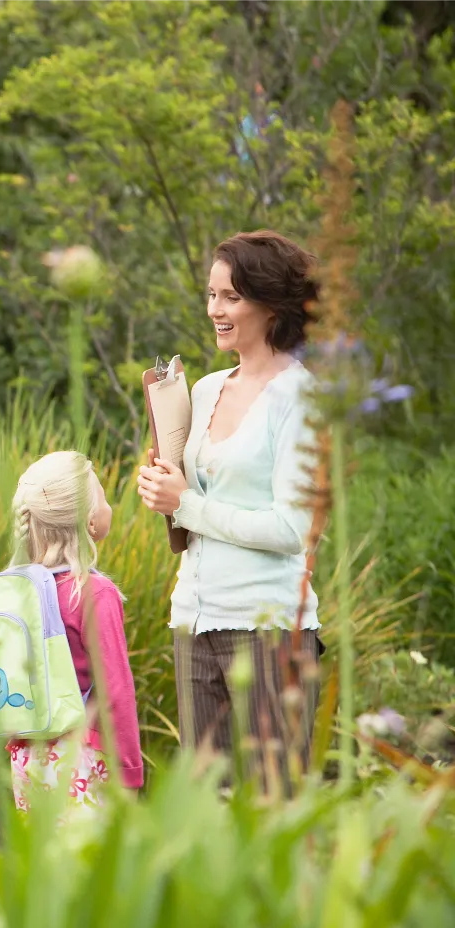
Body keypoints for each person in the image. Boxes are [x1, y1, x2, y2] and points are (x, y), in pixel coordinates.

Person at [137, 229, 323, 786]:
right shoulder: (205, 388)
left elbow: (294, 529)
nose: (215, 310)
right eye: (211, 295)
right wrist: (162, 487)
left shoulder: (301, 397)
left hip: (269, 631)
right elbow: (196, 498)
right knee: (206, 821)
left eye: (231, 297)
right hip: (194, 620)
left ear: (271, 305)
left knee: (276, 811)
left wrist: (188, 505)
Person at [5, 451, 144, 809]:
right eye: (103, 496)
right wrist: (130, 773)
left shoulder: (18, 589)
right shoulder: (94, 593)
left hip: (26, 758)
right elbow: (116, 690)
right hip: (81, 761)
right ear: (91, 522)